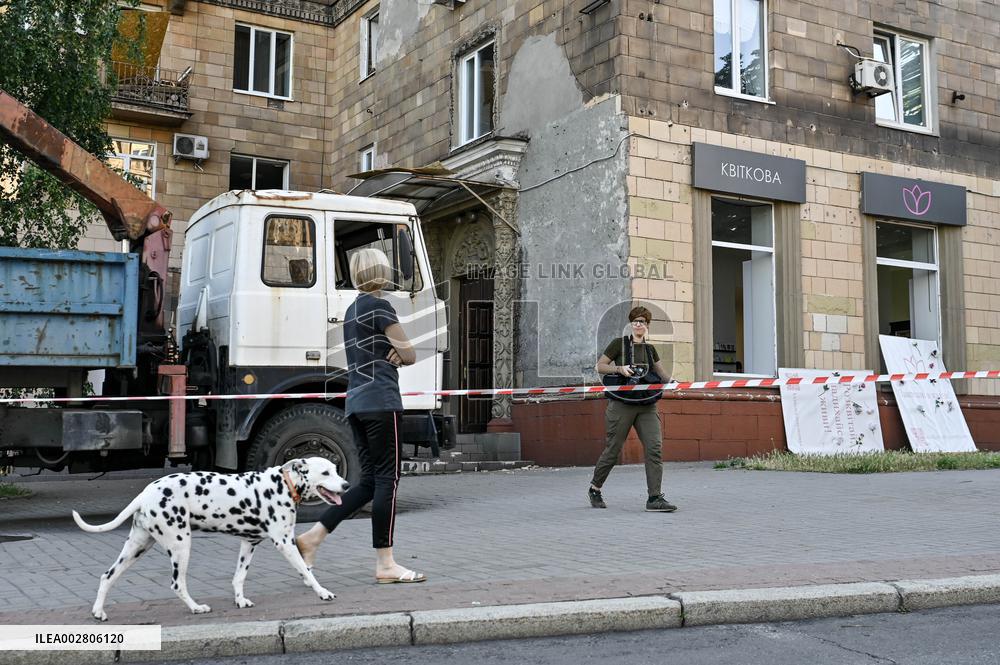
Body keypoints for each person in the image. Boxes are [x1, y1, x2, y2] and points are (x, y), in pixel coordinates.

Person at [296, 248, 426, 583]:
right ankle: (386, 564)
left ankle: (313, 537)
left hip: (356, 402)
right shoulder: (381, 306)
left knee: (368, 482)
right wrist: (398, 353)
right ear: (382, 271)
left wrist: (395, 352)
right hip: (382, 400)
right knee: (387, 480)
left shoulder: (353, 310)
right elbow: (410, 353)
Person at [589, 306, 678, 512]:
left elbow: (661, 373)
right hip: (622, 404)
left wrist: (674, 382)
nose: (638, 324)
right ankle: (595, 488)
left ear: (647, 325)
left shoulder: (649, 349)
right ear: (631, 324)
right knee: (613, 450)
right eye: (635, 321)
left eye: (642, 321)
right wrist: (619, 368)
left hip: (646, 405)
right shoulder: (618, 344)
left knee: (654, 448)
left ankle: (654, 498)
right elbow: (600, 366)